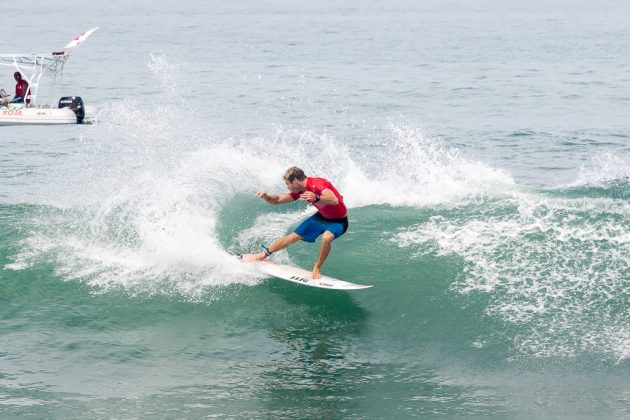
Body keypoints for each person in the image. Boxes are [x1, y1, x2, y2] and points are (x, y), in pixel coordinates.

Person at [245, 166, 349, 279]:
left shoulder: (318, 184)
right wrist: (266, 196)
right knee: (292, 237)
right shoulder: (301, 190)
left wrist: (316, 197)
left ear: (295, 181)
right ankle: (263, 255)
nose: (288, 187)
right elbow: (278, 199)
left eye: (287, 184)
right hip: (322, 217)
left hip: (338, 221)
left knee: (326, 237)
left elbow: (334, 200)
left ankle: (317, 267)